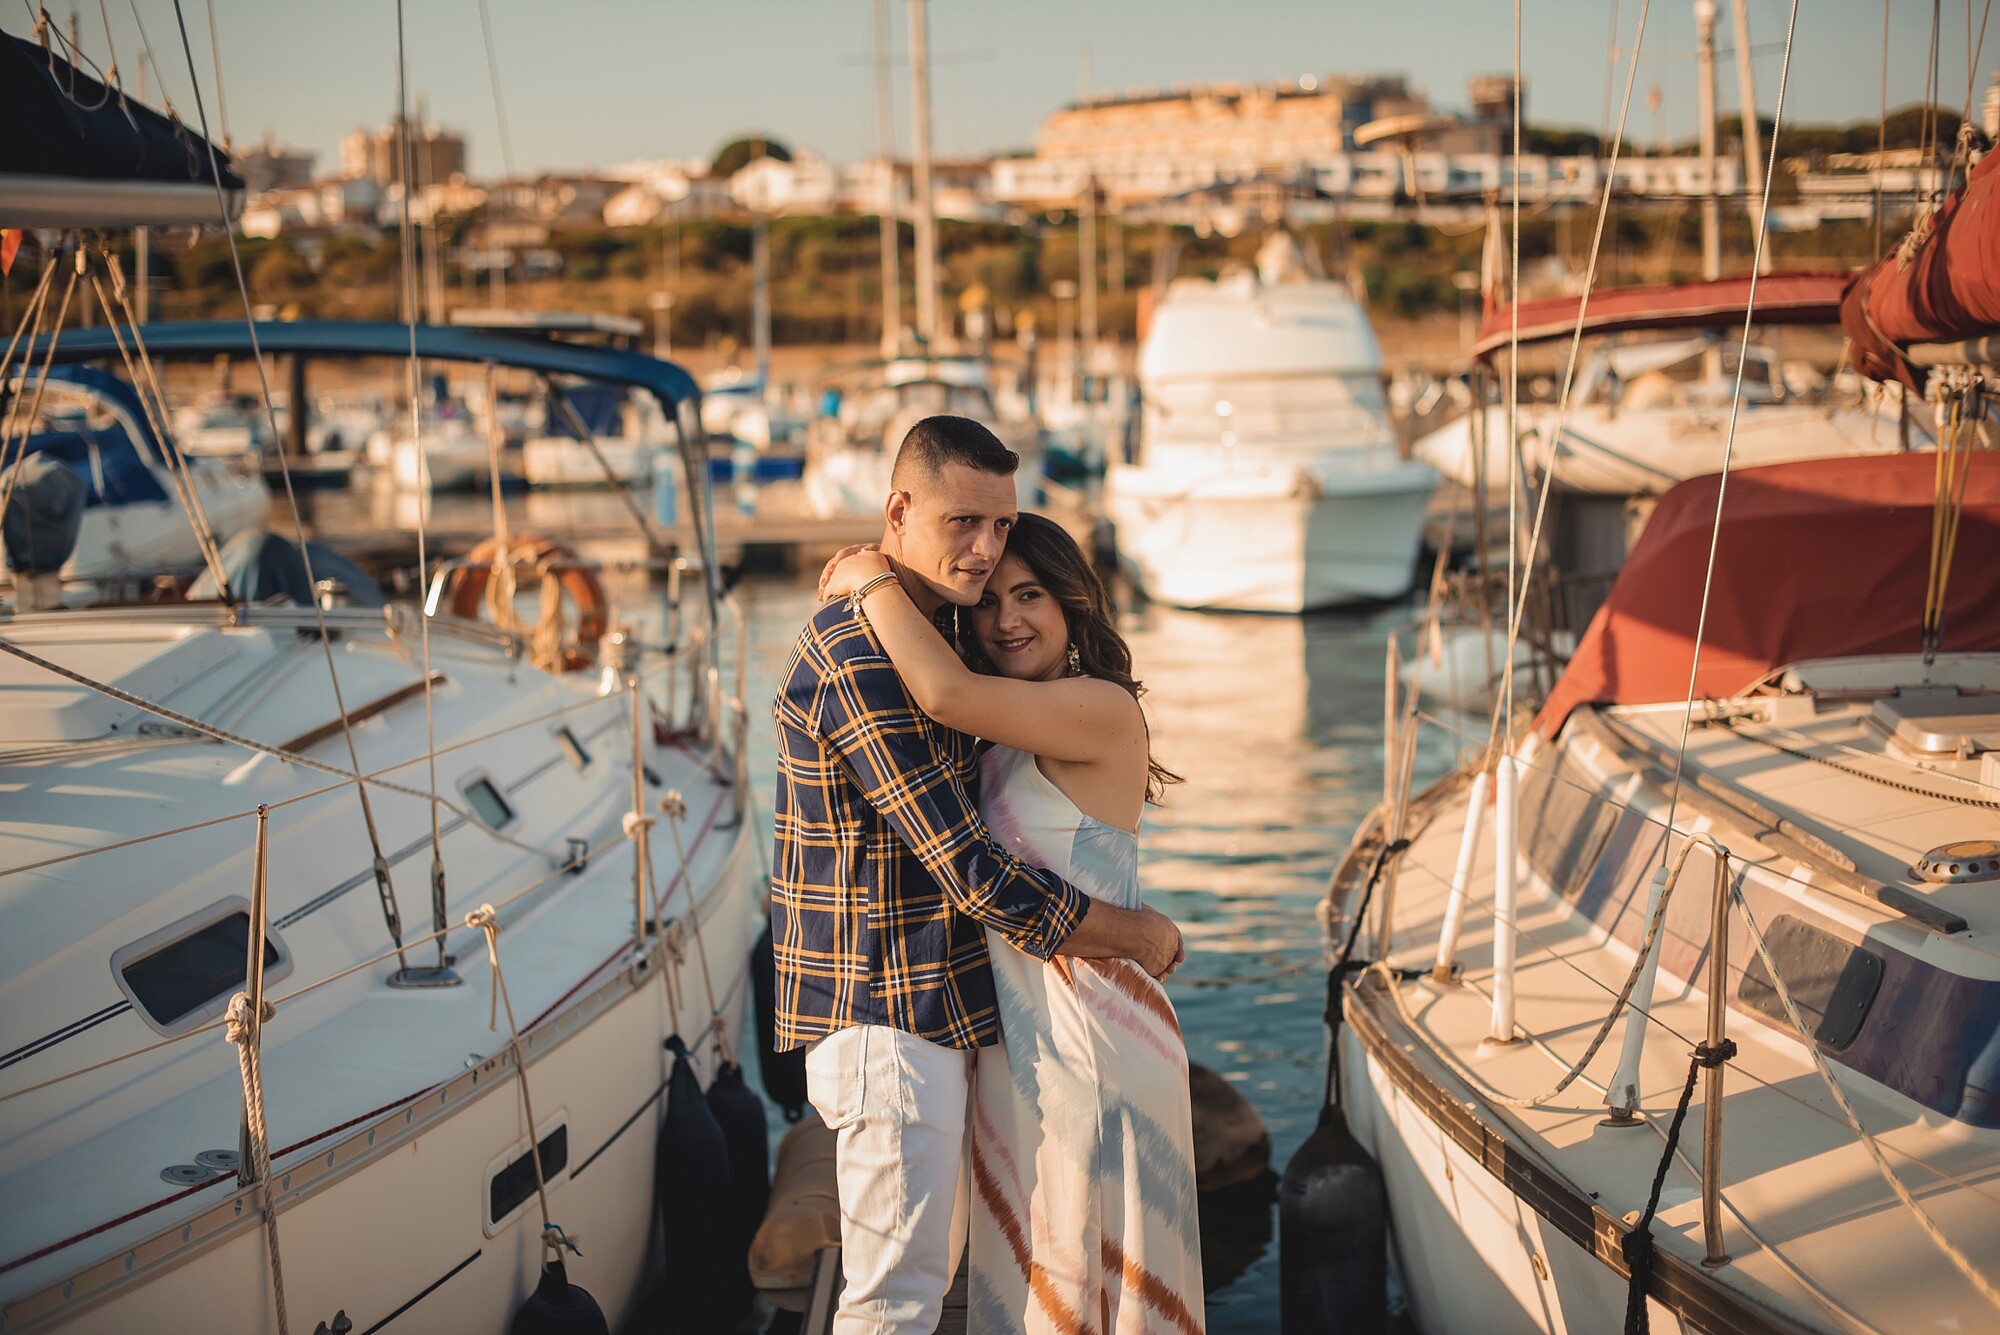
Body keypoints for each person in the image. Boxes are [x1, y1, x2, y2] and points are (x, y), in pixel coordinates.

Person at [771, 415, 1185, 1335]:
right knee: (898, 1299)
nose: (983, 553)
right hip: (889, 1017)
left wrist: (878, 578)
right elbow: (969, 868)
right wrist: (1140, 933)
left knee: (1019, 1280)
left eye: (1001, 529)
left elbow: (963, 712)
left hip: (980, 1023)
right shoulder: (865, 654)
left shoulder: (951, 650)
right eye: (963, 523)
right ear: (898, 510)